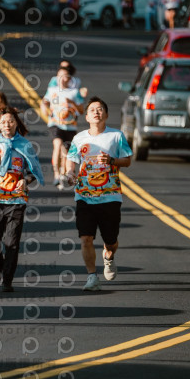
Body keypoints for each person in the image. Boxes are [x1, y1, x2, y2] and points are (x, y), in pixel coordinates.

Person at [63, 97, 132, 291]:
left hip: (110, 196)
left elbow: (127, 160)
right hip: (84, 195)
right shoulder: (79, 138)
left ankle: (109, 255)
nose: (96, 112)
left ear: (106, 114)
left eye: (100, 109)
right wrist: (70, 173)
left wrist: (112, 160)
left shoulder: (116, 136)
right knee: (86, 238)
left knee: (110, 240)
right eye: (92, 109)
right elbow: (72, 159)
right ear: (86, 117)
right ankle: (92, 276)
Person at [0, 107, 44, 292]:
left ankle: (7, 280)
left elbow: (33, 171)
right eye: (3, 122)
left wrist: (26, 180)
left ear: (16, 123)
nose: (7, 125)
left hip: (16, 200)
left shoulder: (25, 145)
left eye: (10, 121)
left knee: (12, 242)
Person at [41, 66, 84, 189]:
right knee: (58, 145)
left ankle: (65, 173)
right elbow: (44, 101)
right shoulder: (52, 90)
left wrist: (72, 103)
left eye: (65, 76)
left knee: (67, 151)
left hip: (70, 126)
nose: (61, 79)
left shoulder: (74, 92)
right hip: (55, 123)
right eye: (59, 76)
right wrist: (45, 108)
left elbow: (81, 110)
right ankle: (56, 174)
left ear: (69, 78)